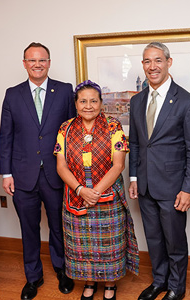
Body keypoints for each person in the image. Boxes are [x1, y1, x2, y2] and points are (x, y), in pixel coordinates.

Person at [0, 42, 76, 300]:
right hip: (22, 175)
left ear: (49, 63)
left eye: (42, 60)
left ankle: (63, 270)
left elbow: (71, 133)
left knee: (58, 226)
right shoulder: (12, 94)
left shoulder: (64, 91)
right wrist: (6, 173)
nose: (37, 64)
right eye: (32, 60)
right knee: (28, 228)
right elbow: (6, 135)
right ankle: (33, 277)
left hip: (57, 173)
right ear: (24, 64)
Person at [129, 42, 190, 300]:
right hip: (146, 184)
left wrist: (188, 189)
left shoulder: (188, 102)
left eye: (158, 60)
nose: (153, 66)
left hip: (174, 187)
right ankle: (159, 281)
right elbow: (136, 143)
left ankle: (176, 286)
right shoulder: (137, 101)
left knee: (174, 241)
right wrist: (133, 177)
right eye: (147, 61)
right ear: (143, 65)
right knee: (153, 239)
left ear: (169, 62)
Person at [54, 80, 139, 300]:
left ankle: (110, 284)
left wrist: (95, 192)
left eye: (93, 101)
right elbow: (61, 166)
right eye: (83, 101)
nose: (88, 106)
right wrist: (82, 190)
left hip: (108, 196)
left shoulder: (114, 126)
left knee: (109, 244)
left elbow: (118, 165)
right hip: (76, 196)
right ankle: (89, 282)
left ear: (101, 103)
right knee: (84, 245)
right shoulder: (65, 128)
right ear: (76, 104)